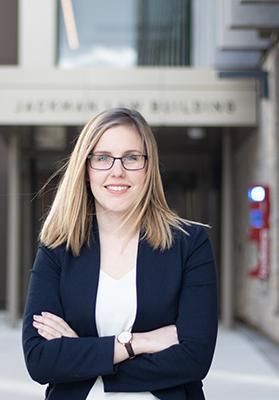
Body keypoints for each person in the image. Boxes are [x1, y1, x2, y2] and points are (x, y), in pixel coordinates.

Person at [22, 107, 218, 400]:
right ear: (85, 169)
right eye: (102, 158)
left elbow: (194, 358)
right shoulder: (57, 247)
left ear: (148, 167)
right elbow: (40, 359)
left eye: (131, 157)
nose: (117, 170)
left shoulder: (189, 244)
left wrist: (84, 354)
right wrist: (136, 343)